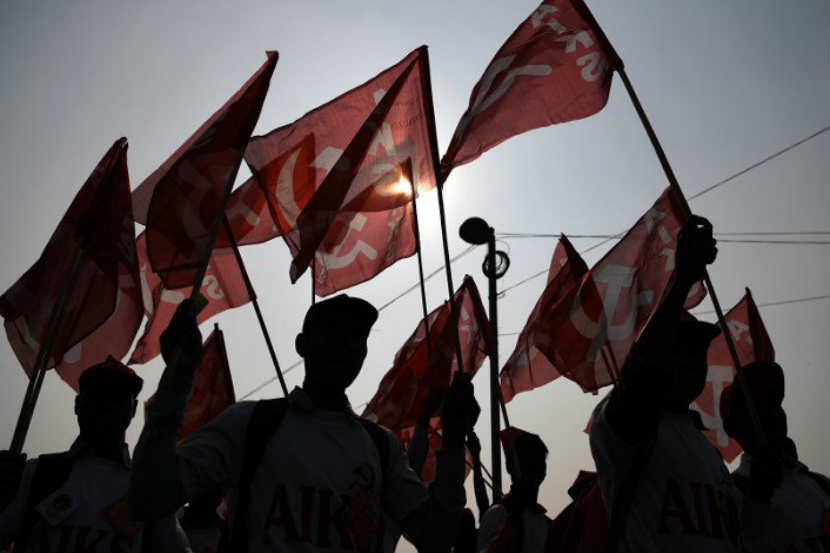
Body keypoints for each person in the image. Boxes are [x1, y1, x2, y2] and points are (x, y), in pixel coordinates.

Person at [128, 294, 479, 553]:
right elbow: (149, 497)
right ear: (302, 345)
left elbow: (436, 537)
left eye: (357, 336)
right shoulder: (250, 424)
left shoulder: (381, 447)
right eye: (333, 332)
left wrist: (452, 442)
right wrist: (177, 377)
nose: (346, 345)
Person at [589, 215, 742, 552]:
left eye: (698, 350)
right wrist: (682, 278)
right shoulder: (623, 426)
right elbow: (640, 377)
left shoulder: (708, 451)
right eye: (682, 349)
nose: (692, 361)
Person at [0, 357, 190, 552]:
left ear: (133, 409)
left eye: (117, 396)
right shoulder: (36, 474)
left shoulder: (148, 488)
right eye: (97, 394)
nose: (106, 404)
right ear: (77, 404)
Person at [720, 360, 830, 552]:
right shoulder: (729, 494)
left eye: (777, 402)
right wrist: (757, 502)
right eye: (761, 406)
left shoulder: (822, 486)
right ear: (739, 425)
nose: (775, 413)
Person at [477, 427, 550, 553]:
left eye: (539, 461)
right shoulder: (497, 515)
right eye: (528, 462)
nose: (534, 469)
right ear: (509, 467)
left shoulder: (546, 523)